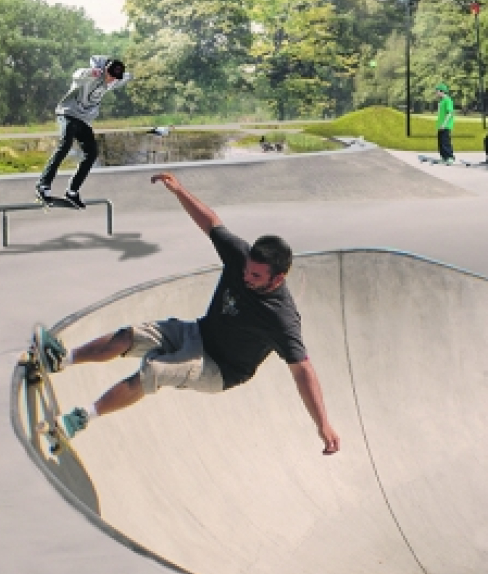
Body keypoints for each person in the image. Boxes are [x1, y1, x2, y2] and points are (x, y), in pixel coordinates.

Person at [35, 171, 340, 455]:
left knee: (155, 370)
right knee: (130, 336)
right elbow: (211, 223)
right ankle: (63, 359)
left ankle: (81, 419)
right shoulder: (240, 256)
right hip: (199, 332)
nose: (247, 277)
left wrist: (322, 423)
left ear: (278, 278)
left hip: (220, 369)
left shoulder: (281, 318)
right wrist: (179, 190)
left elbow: (303, 372)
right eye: (247, 271)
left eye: (256, 277)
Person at [36, 56, 132, 209]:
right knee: (65, 146)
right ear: (104, 70)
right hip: (67, 114)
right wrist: (92, 72)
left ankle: (72, 191)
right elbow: (77, 74)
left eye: (115, 78)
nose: (111, 80)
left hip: (83, 121)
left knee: (91, 153)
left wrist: (126, 73)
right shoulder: (89, 77)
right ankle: (43, 186)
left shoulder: (113, 81)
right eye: (109, 75)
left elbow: (126, 77)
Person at [434, 84, 455, 165]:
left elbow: (449, 113)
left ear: (442, 91)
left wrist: (444, 124)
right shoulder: (441, 101)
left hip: (446, 125)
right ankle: (444, 157)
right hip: (440, 125)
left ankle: (450, 157)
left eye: (437, 91)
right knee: (440, 142)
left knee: (446, 142)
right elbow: (440, 113)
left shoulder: (448, 100)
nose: (436, 93)